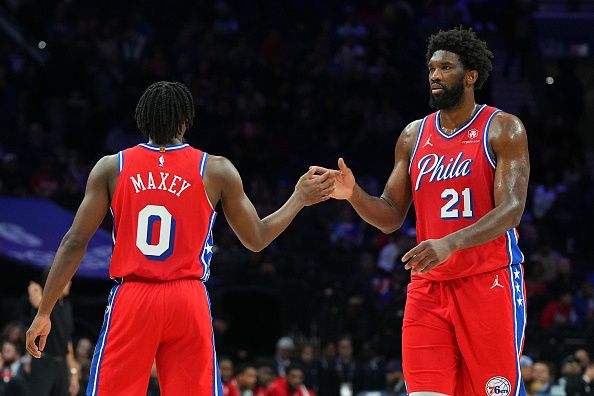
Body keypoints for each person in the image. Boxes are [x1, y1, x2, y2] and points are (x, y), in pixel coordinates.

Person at [26, 81, 335, 396]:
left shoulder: (112, 167)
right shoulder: (216, 169)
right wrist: (297, 198)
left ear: (142, 120)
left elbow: (74, 242)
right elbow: (256, 239)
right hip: (187, 298)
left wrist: (44, 311)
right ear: (186, 121)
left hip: (134, 296)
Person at [316, 27, 530, 395]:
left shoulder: (503, 128)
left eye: (446, 68)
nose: (434, 75)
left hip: (489, 281)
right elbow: (390, 215)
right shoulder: (413, 136)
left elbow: (511, 210)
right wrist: (353, 194)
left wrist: (449, 243)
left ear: (470, 76)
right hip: (428, 286)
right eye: (431, 68)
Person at [27, 271, 80, 396]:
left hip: (61, 364)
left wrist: (73, 372)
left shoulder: (67, 306)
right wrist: (36, 289)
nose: (70, 283)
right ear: (55, 281)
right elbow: (36, 297)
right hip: (44, 360)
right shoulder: (44, 304)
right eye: (67, 279)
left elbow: (68, 341)